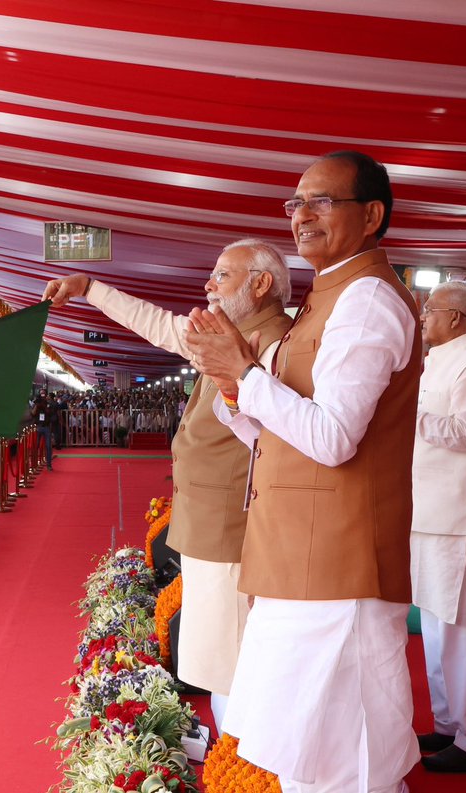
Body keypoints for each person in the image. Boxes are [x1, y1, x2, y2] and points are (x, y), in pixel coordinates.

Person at [184, 150, 421, 791]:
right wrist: (233, 387)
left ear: (371, 215)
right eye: (295, 203)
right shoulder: (329, 299)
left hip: (335, 566)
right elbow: (278, 434)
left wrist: (243, 373)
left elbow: (334, 437)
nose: (301, 216)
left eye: (321, 202)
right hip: (301, 559)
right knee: (310, 754)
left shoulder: (368, 300)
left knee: (337, 761)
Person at [42, 238, 292, 733]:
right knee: (219, 650)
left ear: (261, 284)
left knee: (233, 652)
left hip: (234, 523)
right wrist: (89, 287)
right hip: (209, 520)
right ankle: (236, 754)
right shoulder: (231, 335)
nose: (208, 285)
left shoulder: (277, 345)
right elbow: (160, 324)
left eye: (222, 275)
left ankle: (245, 762)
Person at [409, 281, 466, 773]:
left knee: (464, 630)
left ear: (459, 319)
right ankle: (448, 723)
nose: (424, 316)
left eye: (431, 309)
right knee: (437, 627)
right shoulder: (437, 362)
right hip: (431, 513)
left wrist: (410, 418)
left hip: (465, 518)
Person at [31, 390, 54, 470]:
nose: (42, 395)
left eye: (44, 393)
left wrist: (44, 405)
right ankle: (33, 465)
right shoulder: (36, 403)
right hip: (38, 427)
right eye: (41, 393)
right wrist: (37, 405)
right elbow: (33, 413)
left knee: (48, 446)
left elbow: (49, 413)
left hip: (46, 427)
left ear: (46, 395)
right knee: (35, 446)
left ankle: (49, 465)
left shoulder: (48, 404)